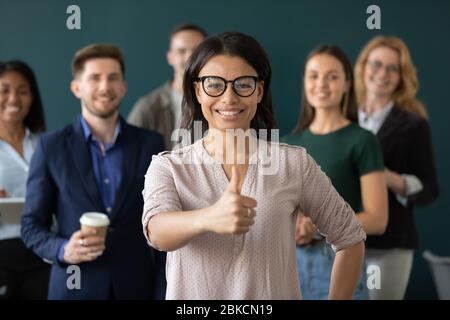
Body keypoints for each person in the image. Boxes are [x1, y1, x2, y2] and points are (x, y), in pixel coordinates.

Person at [142, 32, 366, 300]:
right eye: (215, 84)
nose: (229, 97)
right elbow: (157, 232)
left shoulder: (293, 164)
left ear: (259, 91)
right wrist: (209, 217)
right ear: (197, 90)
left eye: (243, 84)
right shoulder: (168, 167)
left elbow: (350, 238)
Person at [21, 44, 166, 299]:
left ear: (123, 86)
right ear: (77, 87)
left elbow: (164, 220)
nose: (105, 87)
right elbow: (31, 225)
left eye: (113, 78)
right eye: (94, 78)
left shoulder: (151, 144)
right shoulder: (50, 147)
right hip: (74, 288)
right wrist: (62, 249)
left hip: (137, 287)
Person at [282, 45, 388, 299]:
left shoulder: (362, 140)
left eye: (332, 76)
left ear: (347, 84)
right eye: (314, 75)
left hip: (338, 259)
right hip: (289, 265)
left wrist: (317, 227)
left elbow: (377, 219)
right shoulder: (287, 144)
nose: (322, 84)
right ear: (305, 81)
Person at [354, 35, 439, 299]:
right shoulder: (341, 117)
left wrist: (392, 179)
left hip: (390, 244)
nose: (383, 74)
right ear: (363, 66)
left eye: (393, 68)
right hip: (341, 239)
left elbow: (429, 189)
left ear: (402, 76)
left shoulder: (414, 125)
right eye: (376, 64)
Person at [0, 60, 50, 299]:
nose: (13, 99)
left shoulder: (47, 144)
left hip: (43, 250)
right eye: (4, 90)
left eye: (22, 91)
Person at [128, 23, 207, 149]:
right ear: (170, 57)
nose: (189, 57)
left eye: (196, 51)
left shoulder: (220, 102)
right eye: (181, 51)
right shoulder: (148, 107)